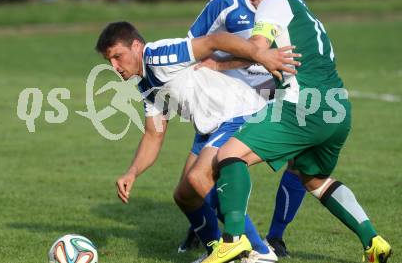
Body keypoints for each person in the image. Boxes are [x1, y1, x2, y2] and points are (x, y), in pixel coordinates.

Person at [189, 0, 392, 263]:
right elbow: (270, 59)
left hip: (302, 106)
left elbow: (257, 49)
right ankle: (373, 241)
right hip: (336, 108)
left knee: (228, 154)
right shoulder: (301, 10)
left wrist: (217, 60)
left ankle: (233, 240)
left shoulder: (273, 4)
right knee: (313, 178)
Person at [94, 22, 299, 262]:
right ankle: (219, 252)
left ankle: (259, 252)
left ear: (137, 46)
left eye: (118, 56)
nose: (115, 66)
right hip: (210, 126)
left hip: (236, 112)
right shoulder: (145, 84)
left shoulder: (160, 55)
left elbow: (214, 41)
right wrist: (132, 172)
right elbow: (154, 134)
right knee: (185, 195)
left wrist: (259, 54)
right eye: (110, 61)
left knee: (198, 177)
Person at [180, 0, 306, 258]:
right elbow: (191, 48)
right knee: (190, 187)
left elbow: (296, 56)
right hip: (224, 106)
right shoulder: (225, 4)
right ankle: (217, 231)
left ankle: (273, 239)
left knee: (302, 162)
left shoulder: (290, 7)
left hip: (270, 99)